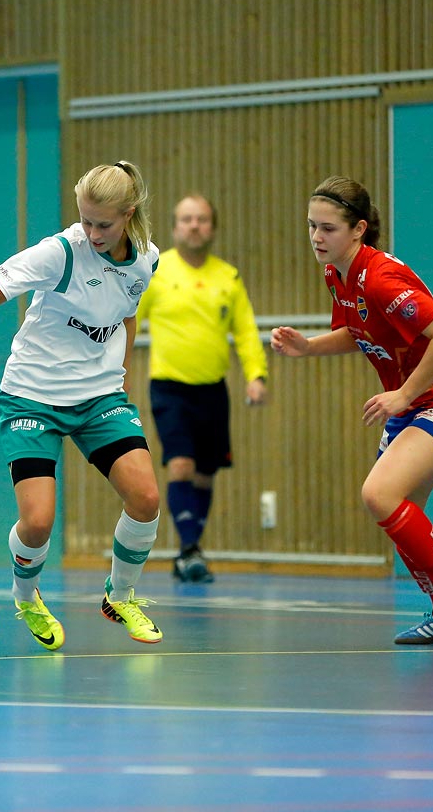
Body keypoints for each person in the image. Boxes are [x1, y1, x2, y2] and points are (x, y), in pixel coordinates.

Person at [270, 176, 433, 646]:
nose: (316, 237)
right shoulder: (338, 274)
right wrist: (308, 348)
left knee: (379, 494)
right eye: (311, 226)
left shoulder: (382, 278)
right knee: (401, 513)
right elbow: (360, 331)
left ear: (358, 229)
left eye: (327, 228)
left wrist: (403, 394)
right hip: (415, 407)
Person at [0, 160, 164, 648]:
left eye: (104, 223)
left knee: (146, 498)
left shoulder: (146, 259)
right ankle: (27, 596)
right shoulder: (60, 253)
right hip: (32, 394)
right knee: (37, 522)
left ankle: (120, 596)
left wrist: (122, 377)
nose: (92, 232)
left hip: (98, 396)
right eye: (85, 219)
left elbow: (127, 316)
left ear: (129, 215)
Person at [137, 194, 267, 583]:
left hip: (213, 390)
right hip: (169, 386)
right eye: (187, 219)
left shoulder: (227, 276)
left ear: (212, 227)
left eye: (202, 219)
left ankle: (188, 550)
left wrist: (256, 375)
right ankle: (189, 550)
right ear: (175, 227)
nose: (194, 226)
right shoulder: (156, 273)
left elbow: (245, 331)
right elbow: (127, 322)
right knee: (180, 464)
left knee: (205, 474)